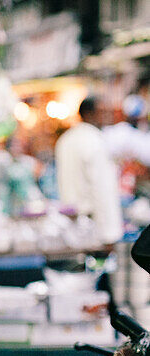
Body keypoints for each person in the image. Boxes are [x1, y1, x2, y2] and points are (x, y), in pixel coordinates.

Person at [55, 96, 124, 245]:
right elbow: (101, 188)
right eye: (102, 112)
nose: (106, 117)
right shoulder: (94, 140)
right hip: (94, 224)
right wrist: (110, 234)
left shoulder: (66, 139)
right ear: (88, 114)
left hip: (72, 221)